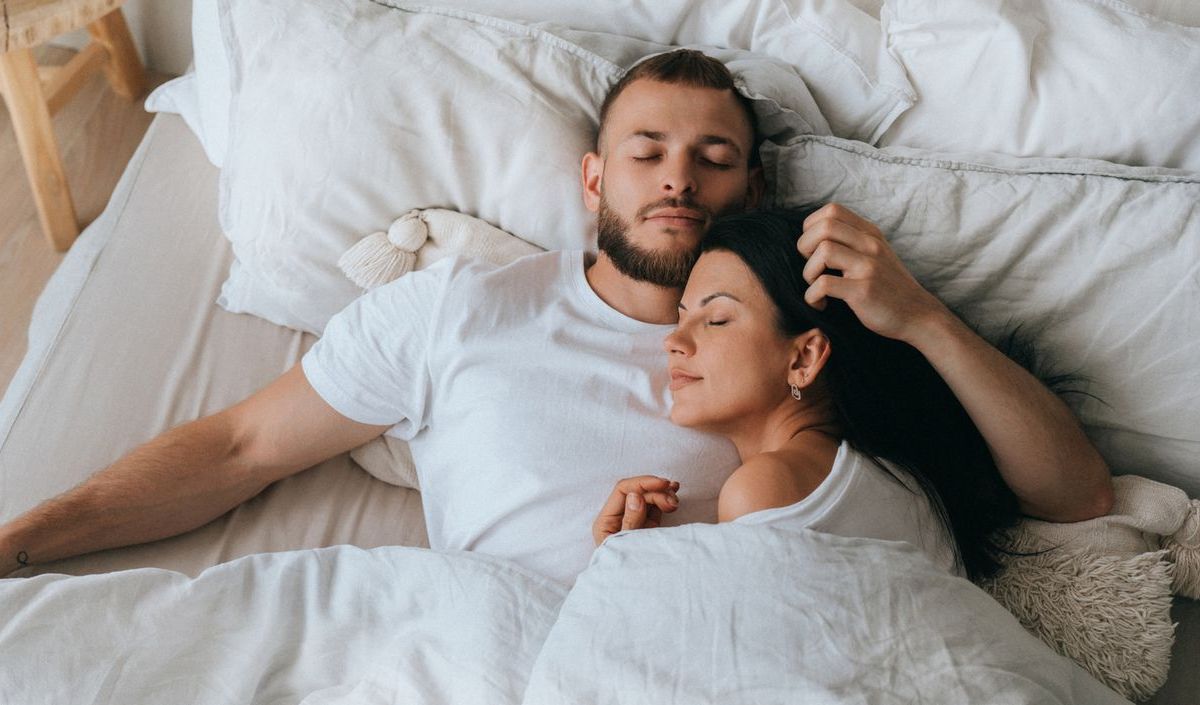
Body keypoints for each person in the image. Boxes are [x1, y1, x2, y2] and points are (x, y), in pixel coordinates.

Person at [0, 50, 1113, 585]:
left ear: (753, 191)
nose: (677, 177)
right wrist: (22, 543)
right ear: (592, 180)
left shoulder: (812, 338)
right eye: (647, 151)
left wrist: (924, 320)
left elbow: (1073, 495)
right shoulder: (456, 308)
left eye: (713, 157)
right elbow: (241, 447)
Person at [593, 208, 1028, 580]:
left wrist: (625, 569)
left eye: (717, 319)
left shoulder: (766, 486)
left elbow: (740, 646)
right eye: (681, 318)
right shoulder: (886, 474)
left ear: (804, 358)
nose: (673, 341)